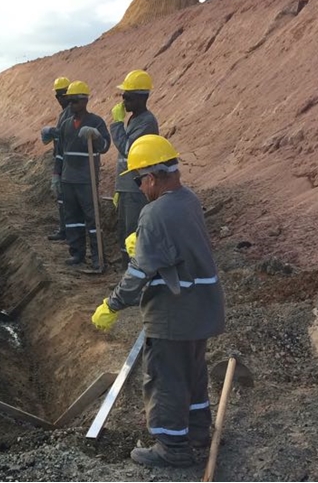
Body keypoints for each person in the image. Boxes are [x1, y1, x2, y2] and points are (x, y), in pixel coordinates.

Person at [91, 134, 225, 468]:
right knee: (192, 372)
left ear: (151, 177)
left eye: (138, 180)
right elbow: (180, 249)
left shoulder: (154, 213)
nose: (138, 187)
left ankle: (171, 447)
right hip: (202, 305)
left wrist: (112, 305)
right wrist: (150, 245)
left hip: (174, 312)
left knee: (165, 377)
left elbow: (139, 275)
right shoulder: (189, 199)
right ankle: (197, 432)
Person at [52, 80, 110, 270]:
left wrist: (97, 136)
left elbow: (105, 146)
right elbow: (60, 152)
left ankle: (97, 257)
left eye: (75, 101)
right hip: (69, 179)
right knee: (73, 219)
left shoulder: (96, 122)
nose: (72, 105)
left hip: (86, 180)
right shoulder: (67, 124)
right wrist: (56, 175)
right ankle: (77, 253)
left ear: (85, 101)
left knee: (92, 219)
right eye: (70, 101)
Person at [111, 70, 158, 265]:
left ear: (142, 97)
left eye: (127, 96)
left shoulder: (147, 122)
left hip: (137, 187)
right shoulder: (133, 119)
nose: (123, 100)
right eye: (123, 96)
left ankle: (136, 274)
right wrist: (118, 187)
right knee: (124, 232)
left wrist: (116, 124)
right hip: (126, 186)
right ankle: (126, 272)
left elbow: (128, 150)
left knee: (133, 234)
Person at [40, 76, 71, 241]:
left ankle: (66, 231)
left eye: (62, 94)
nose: (59, 98)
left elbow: (65, 138)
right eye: (58, 95)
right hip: (62, 160)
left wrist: (53, 131)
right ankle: (65, 229)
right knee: (62, 198)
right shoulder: (65, 113)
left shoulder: (70, 113)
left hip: (66, 162)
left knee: (65, 198)